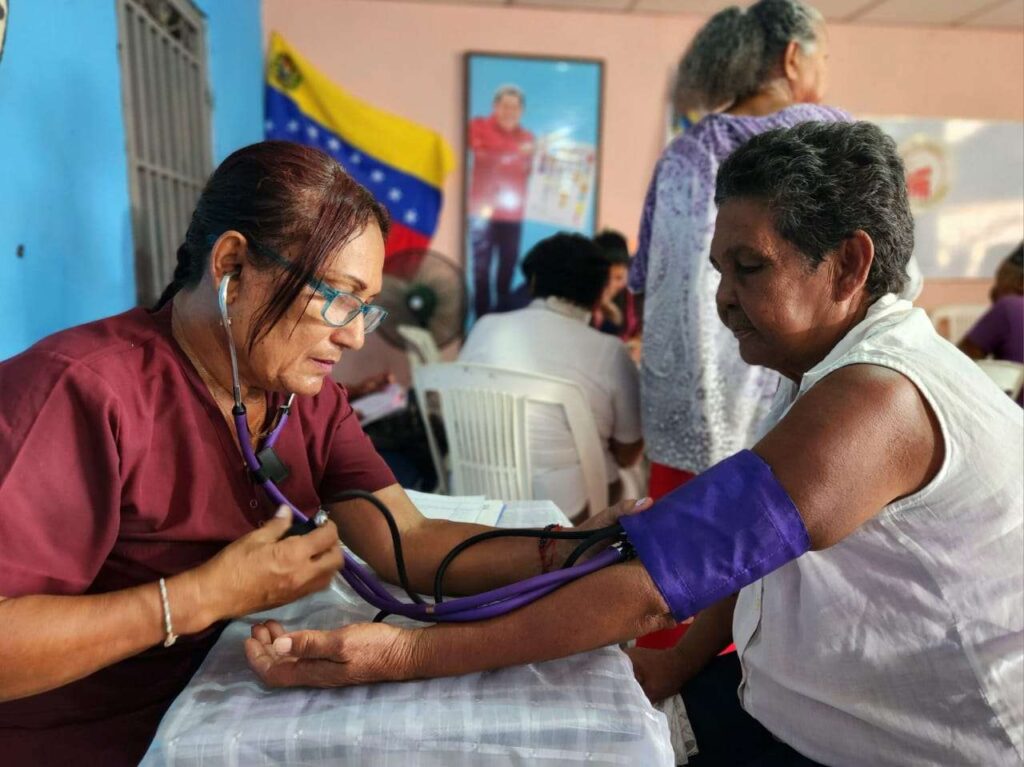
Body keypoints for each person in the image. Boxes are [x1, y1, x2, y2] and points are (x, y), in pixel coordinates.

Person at [246, 122, 1023, 767]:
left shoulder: (877, 397)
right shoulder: (828, 372)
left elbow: (659, 580)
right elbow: (744, 555)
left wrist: (402, 656)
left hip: (927, 740)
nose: (720, 298)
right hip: (794, 698)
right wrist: (673, 664)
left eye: (748, 268)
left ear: (849, 264)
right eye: (719, 268)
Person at [0, 141, 629, 766]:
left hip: (217, 714)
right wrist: (200, 597)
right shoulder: (80, 391)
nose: (354, 335)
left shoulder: (301, 397)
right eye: (336, 296)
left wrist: (568, 548)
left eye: (366, 307)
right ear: (232, 266)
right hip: (88, 741)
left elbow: (405, 539)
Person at [630, 0, 845, 502]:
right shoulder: (830, 140)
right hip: (799, 415)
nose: (825, 72)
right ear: (794, 57)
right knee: (777, 564)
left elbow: (644, 282)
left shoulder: (685, 151)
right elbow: (896, 275)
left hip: (686, 424)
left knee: (673, 565)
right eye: (825, 58)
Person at [458, 232, 643, 520]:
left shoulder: (484, 327)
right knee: (634, 478)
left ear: (533, 282)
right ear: (599, 294)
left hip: (476, 495)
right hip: (567, 510)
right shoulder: (610, 351)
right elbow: (628, 452)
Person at [467, 84, 535, 320]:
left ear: (522, 111)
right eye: (505, 106)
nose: (509, 111)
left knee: (506, 273)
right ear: (495, 107)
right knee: (481, 274)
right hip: (483, 215)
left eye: (515, 107)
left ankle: (500, 324)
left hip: (513, 217)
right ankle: (481, 324)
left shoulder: (528, 138)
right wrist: (518, 152)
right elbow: (486, 155)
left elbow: (537, 172)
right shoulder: (478, 127)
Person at [959, 243, 1024, 402]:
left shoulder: (1009, 307)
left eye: (1000, 278)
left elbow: (959, 359)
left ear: (1019, 282)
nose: (994, 290)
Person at [591, 229, 637, 339]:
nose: (611, 285)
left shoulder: (633, 297)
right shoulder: (585, 299)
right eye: (605, 278)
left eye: (618, 277)